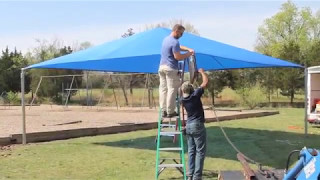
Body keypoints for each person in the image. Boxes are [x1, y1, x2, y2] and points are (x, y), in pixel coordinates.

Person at [158, 24, 194, 118]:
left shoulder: (166, 39)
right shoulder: (174, 42)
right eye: (181, 33)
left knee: (163, 89)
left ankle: (163, 110)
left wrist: (187, 49)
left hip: (161, 67)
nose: (181, 35)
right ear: (177, 31)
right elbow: (177, 56)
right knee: (172, 89)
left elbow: (177, 47)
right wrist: (188, 54)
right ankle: (170, 111)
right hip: (170, 68)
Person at [181, 68, 208, 180]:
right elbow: (205, 82)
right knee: (200, 151)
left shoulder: (183, 99)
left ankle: (190, 174)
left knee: (191, 151)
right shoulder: (195, 95)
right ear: (192, 89)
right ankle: (197, 176)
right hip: (197, 125)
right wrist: (202, 72)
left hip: (189, 126)